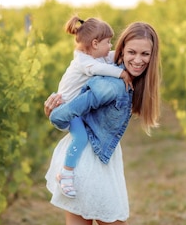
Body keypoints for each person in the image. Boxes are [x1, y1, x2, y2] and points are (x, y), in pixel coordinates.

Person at [44, 21, 161, 225]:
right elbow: (62, 115)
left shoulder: (117, 78)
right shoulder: (108, 83)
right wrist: (54, 108)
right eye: (132, 52)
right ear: (120, 50)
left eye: (145, 54)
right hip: (87, 161)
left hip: (95, 157)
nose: (138, 60)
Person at [52, 15, 133, 199]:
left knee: (82, 137)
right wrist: (122, 73)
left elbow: (112, 56)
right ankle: (65, 173)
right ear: (95, 44)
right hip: (69, 108)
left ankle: (68, 172)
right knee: (80, 138)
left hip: (78, 107)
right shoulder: (84, 62)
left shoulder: (95, 56)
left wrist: (125, 53)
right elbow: (101, 69)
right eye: (108, 42)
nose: (110, 46)